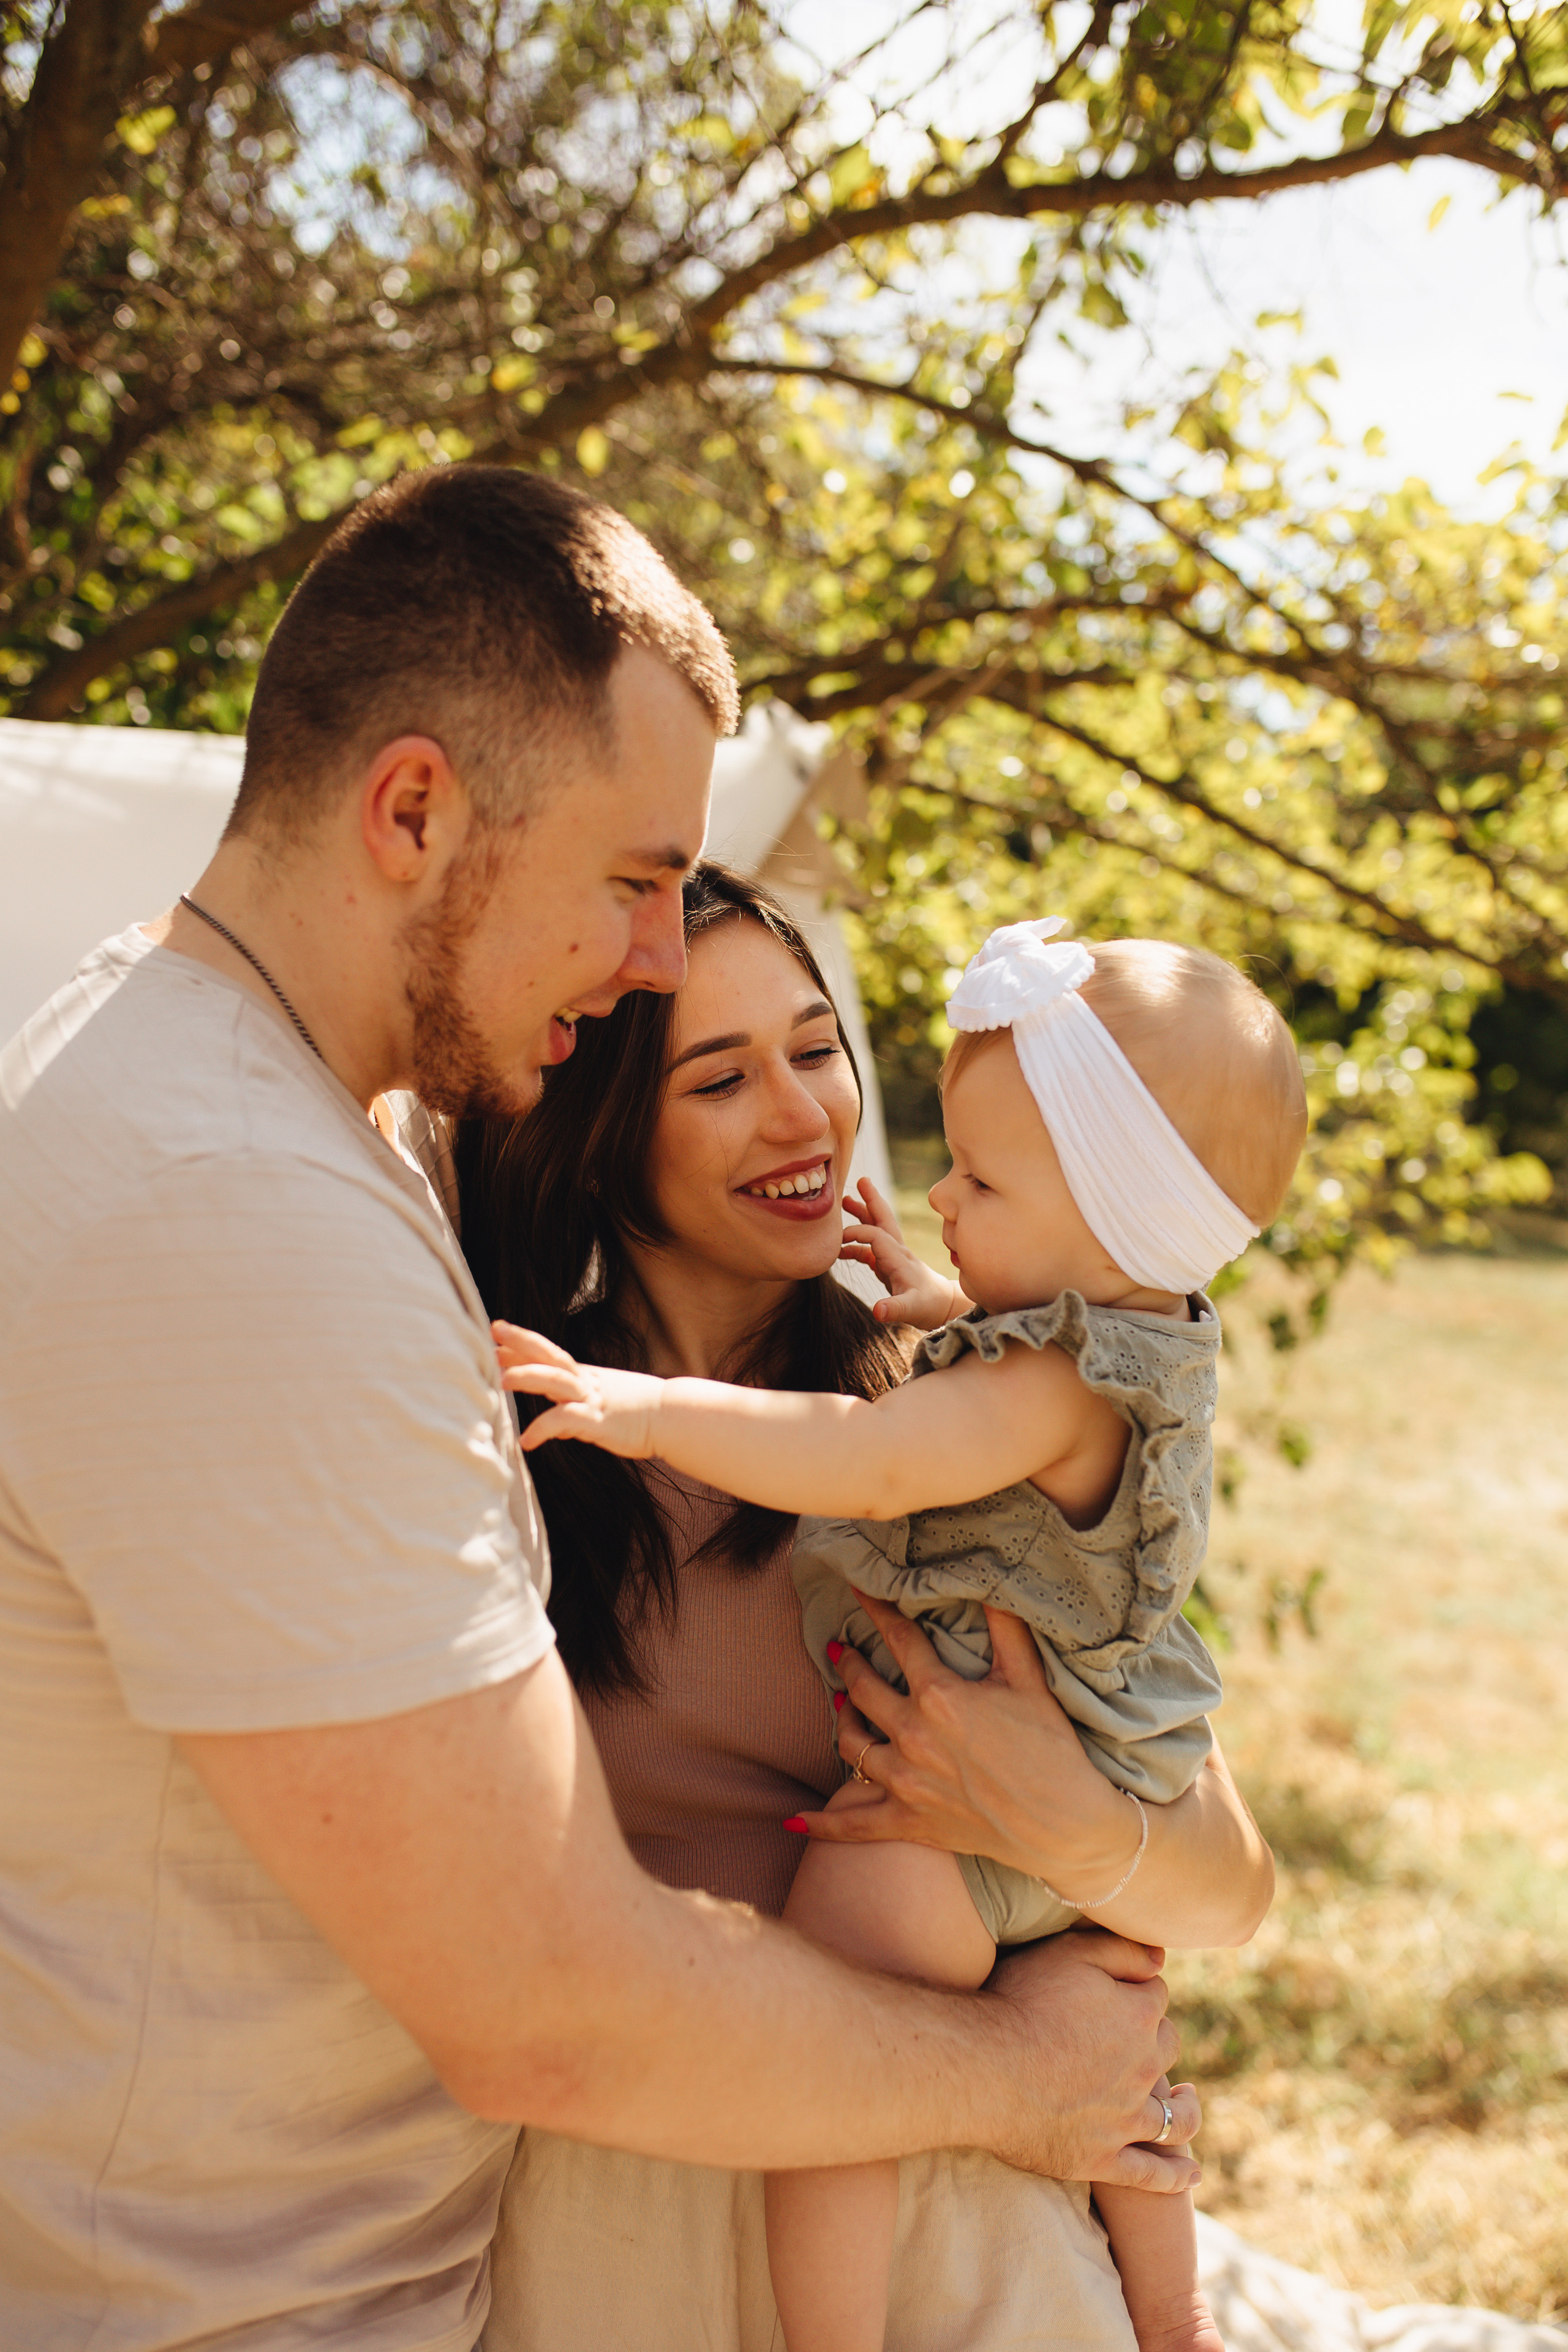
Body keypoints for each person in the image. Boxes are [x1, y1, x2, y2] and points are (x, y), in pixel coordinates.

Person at [0, 469, 1201, 2352]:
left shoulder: (302, 1120)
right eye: (635, 878)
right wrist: (1023, 2081)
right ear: (412, 808)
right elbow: (544, 1996)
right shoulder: (226, 1200)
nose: (657, 952)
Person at [459, 869, 1278, 2352]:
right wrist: (1004, 2058)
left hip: (967, 2222)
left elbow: (1228, 1887)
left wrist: (1067, 1826)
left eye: (817, 1048)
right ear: (601, 1132)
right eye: (720, 1076)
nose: (804, 1118)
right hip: (643, 2185)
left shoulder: (946, 1408)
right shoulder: (531, 1426)